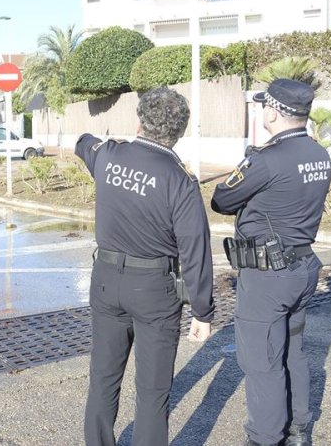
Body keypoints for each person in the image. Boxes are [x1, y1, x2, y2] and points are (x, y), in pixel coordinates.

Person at [76, 87, 215, 446]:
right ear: (180, 132)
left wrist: (99, 141)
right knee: (153, 392)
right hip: (154, 288)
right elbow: (195, 250)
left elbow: (83, 143)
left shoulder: (108, 156)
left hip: (106, 281)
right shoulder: (180, 181)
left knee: (103, 380)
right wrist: (202, 311)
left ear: (139, 121)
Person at [211, 78, 331, 446]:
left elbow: (221, 200)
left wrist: (249, 162)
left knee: (262, 361)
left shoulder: (265, 160)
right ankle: (298, 430)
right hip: (302, 267)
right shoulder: (318, 154)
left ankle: (265, 438)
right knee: (292, 350)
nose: (263, 110)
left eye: (266, 105)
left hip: (269, 277)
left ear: (275, 112)